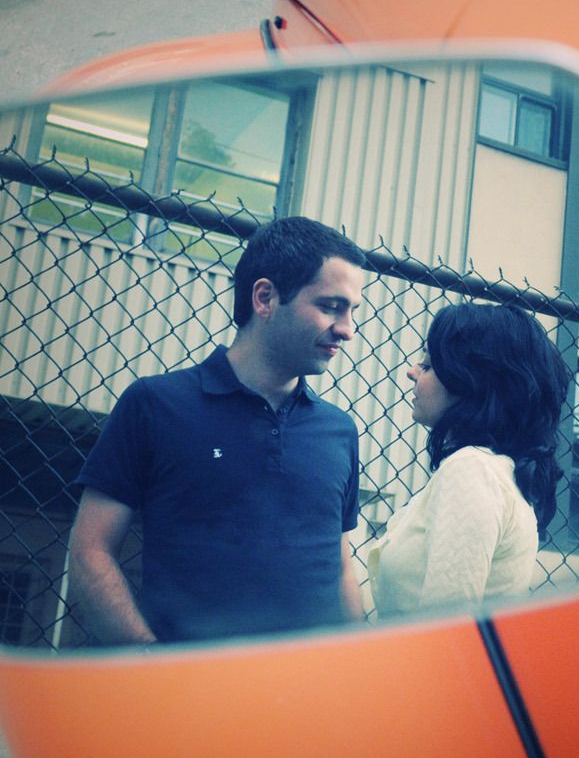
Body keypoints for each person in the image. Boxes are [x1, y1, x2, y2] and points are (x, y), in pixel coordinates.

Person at [69, 216, 368, 644]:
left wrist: (358, 665)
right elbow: (89, 551)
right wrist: (150, 663)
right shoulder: (155, 405)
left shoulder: (339, 430)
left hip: (314, 697)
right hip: (187, 695)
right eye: (330, 306)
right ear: (265, 298)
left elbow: (339, 564)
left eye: (352, 311)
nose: (347, 329)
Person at [368, 303, 571, 617]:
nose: (412, 372)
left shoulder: (472, 470)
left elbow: (443, 631)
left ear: (469, 381)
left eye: (428, 365)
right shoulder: (496, 472)